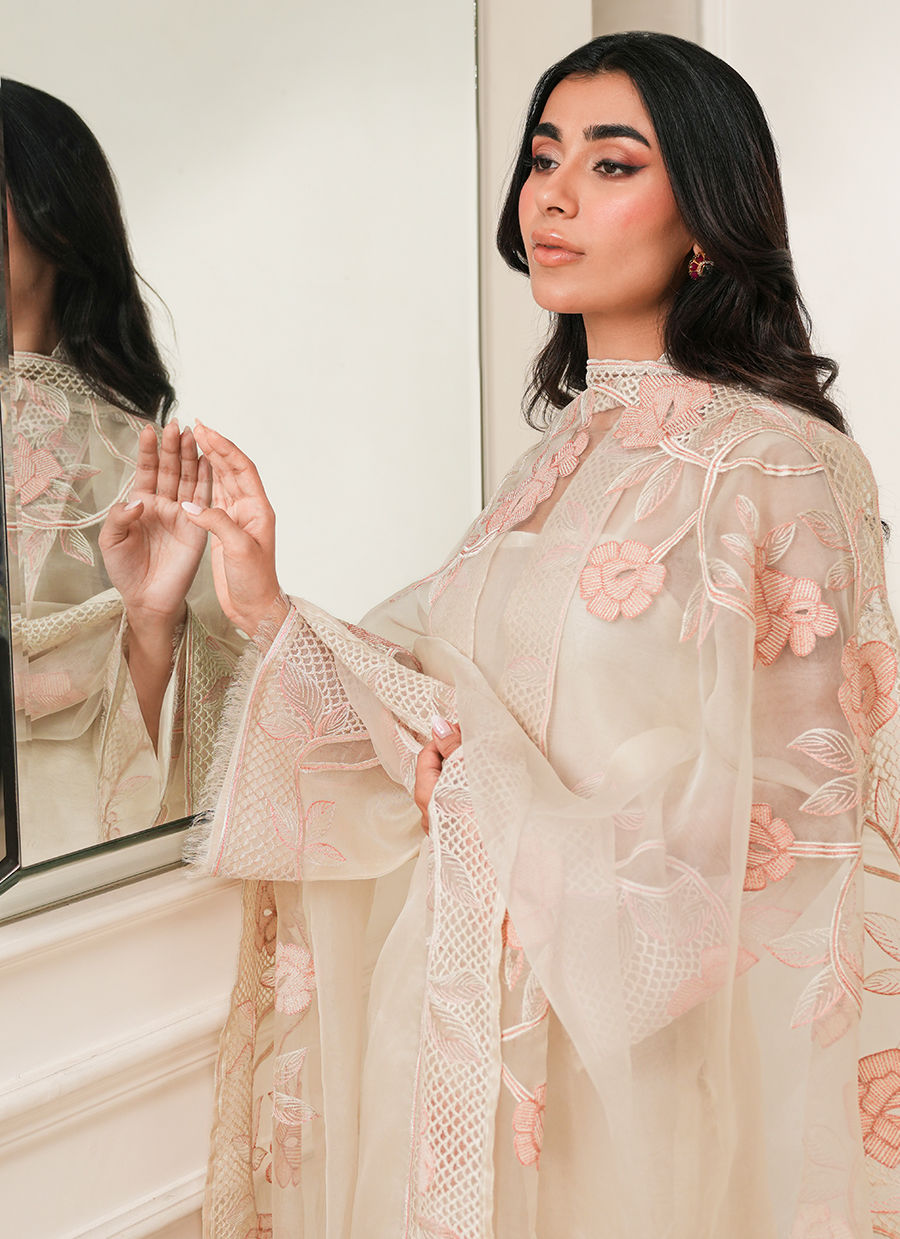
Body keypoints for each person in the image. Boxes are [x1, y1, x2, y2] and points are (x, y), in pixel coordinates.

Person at [133, 31, 899, 1237]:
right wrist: (253, 597)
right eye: (544, 157)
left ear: (707, 218)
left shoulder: (779, 466)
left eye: (612, 163)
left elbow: (810, 843)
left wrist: (492, 797)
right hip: (471, 1038)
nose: (554, 193)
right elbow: (425, 698)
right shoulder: (550, 469)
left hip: (636, 1079)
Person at [3, 81, 240, 861]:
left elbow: (190, 767)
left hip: (65, 891)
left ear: (52, 215)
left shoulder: (144, 468)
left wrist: (151, 628)